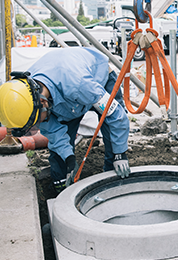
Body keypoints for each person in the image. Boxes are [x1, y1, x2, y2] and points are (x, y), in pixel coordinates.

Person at [0, 47, 130, 193]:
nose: (39, 126)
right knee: (59, 154)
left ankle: (114, 181)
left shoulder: (80, 85)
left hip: (98, 79)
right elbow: (54, 132)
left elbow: (116, 115)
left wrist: (120, 153)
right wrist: (69, 158)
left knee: (111, 134)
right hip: (65, 97)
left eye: (36, 123)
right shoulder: (30, 98)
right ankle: (61, 188)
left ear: (43, 104)